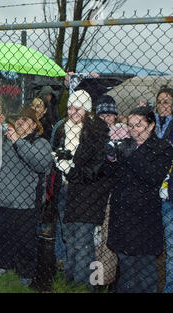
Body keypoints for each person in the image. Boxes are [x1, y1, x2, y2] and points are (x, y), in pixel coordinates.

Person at [106, 106, 173, 293]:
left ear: (151, 125)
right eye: (131, 125)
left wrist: (130, 155)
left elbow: (153, 176)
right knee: (126, 267)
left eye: (139, 125)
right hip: (122, 214)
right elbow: (111, 175)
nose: (134, 130)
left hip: (145, 218)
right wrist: (110, 158)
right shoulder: (125, 144)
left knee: (145, 268)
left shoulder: (163, 148)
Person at [0, 106, 52, 286]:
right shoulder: (4, 142)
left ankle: (26, 274)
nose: (20, 121)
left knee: (26, 242)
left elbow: (41, 164)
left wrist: (17, 141)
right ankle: (3, 265)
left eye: (26, 119)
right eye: (19, 119)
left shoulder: (40, 143)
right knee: (0, 236)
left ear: (35, 126)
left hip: (24, 204)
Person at [51, 89, 110, 288]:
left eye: (78, 108)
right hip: (65, 193)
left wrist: (70, 169)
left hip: (87, 194)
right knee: (70, 240)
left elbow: (93, 171)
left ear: (87, 110)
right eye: (70, 107)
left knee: (84, 243)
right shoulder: (62, 129)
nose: (73, 111)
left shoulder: (96, 132)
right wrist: (58, 160)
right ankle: (70, 283)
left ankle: (83, 286)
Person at [94, 95, 130, 287]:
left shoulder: (122, 134)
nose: (107, 118)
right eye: (103, 115)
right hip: (93, 193)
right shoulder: (91, 133)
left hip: (113, 193)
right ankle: (94, 280)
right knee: (94, 238)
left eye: (110, 115)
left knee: (108, 237)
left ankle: (105, 280)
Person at [154, 86, 173, 293]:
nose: (162, 105)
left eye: (167, 101)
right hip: (150, 194)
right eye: (160, 101)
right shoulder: (151, 125)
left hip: (169, 194)